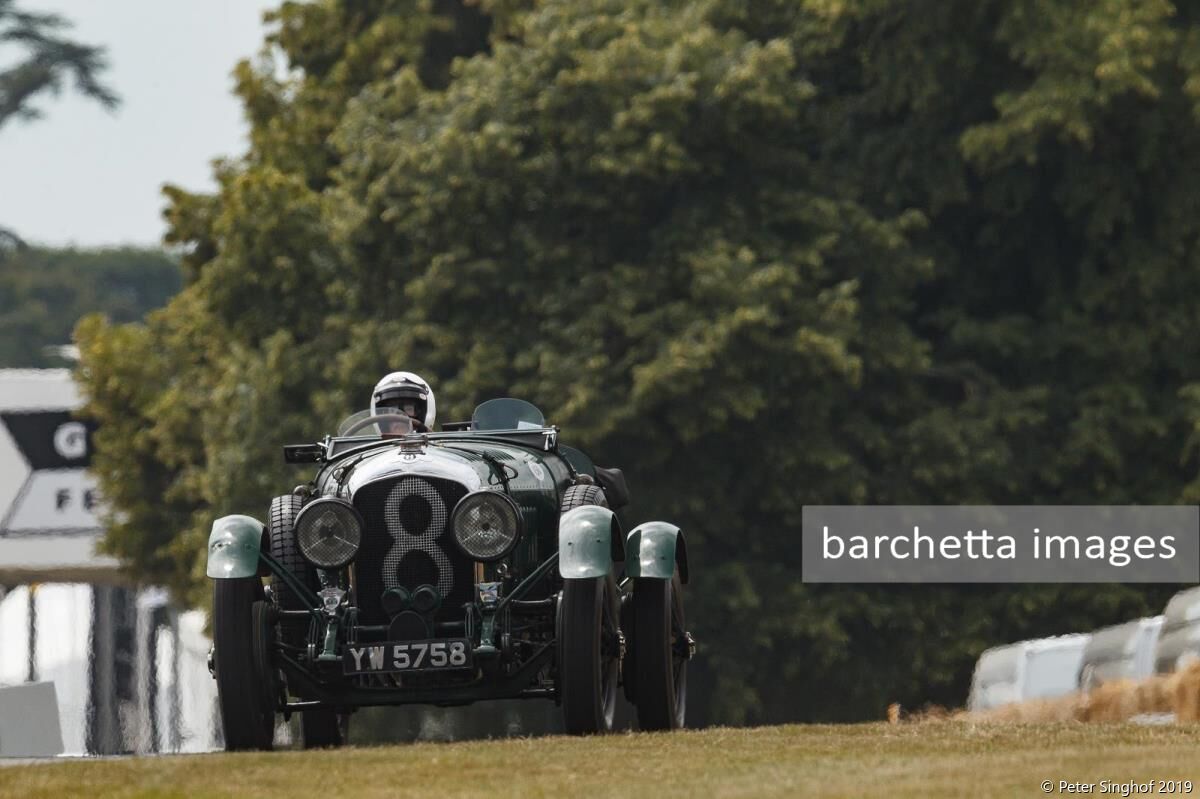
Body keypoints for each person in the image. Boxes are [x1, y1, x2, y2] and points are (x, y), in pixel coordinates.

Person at [371, 371, 436, 435]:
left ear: (420, 413)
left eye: (408, 408)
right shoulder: (370, 445)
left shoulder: (439, 444)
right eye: (392, 410)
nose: (400, 416)